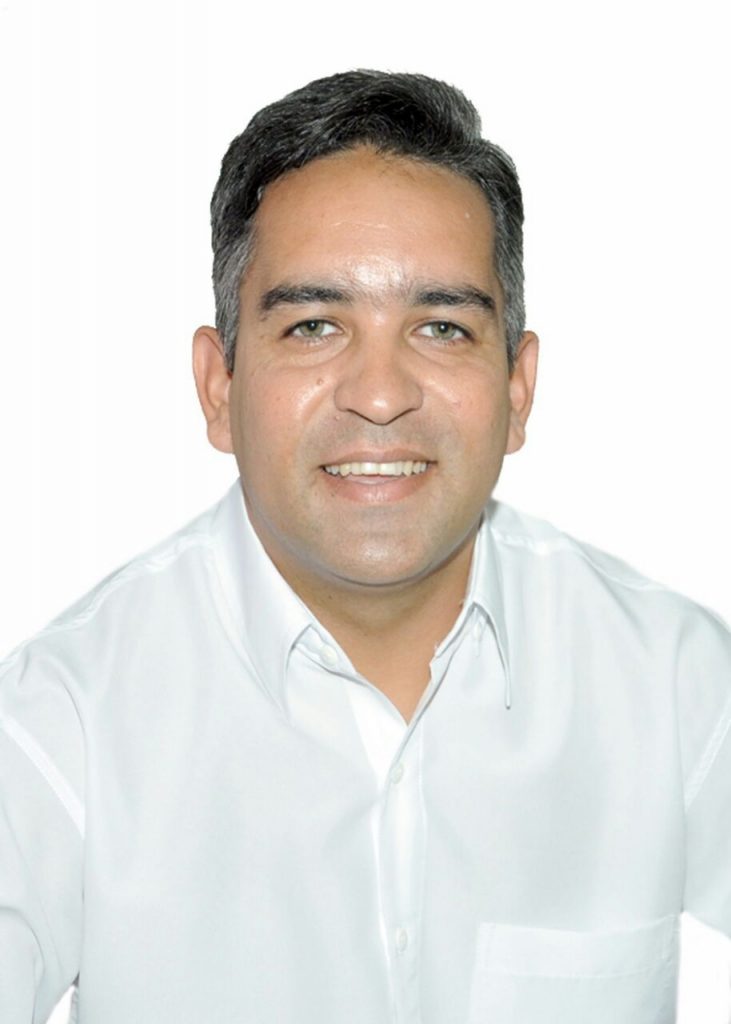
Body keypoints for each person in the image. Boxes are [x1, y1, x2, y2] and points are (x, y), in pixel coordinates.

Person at [0, 70, 729, 1024]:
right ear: (218, 387)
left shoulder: (672, 679)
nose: (380, 395)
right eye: (314, 325)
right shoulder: (61, 721)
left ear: (517, 390)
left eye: (441, 327)